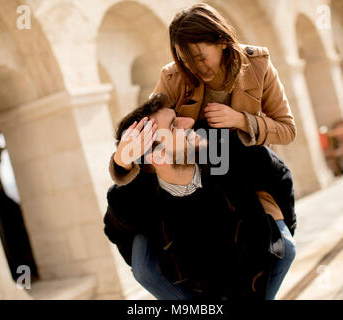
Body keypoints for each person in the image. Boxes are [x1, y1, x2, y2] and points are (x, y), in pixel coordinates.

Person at [110, 3, 297, 236]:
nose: (196, 68)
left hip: (243, 178)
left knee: (281, 247)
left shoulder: (258, 65)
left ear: (221, 40)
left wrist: (240, 120)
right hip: (189, 190)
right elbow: (149, 130)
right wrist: (121, 160)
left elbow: (287, 129)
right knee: (147, 269)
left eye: (200, 57)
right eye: (186, 61)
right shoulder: (173, 77)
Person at [104, 94, 296, 300]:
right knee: (145, 270)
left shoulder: (223, 145)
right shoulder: (131, 198)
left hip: (252, 256)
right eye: (173, 125)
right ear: (156, 157)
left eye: (177, 115)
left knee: (285, 249)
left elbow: (279, 174)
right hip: (193, 279)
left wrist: (286, 225)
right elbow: (117, 233)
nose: (188, 121)